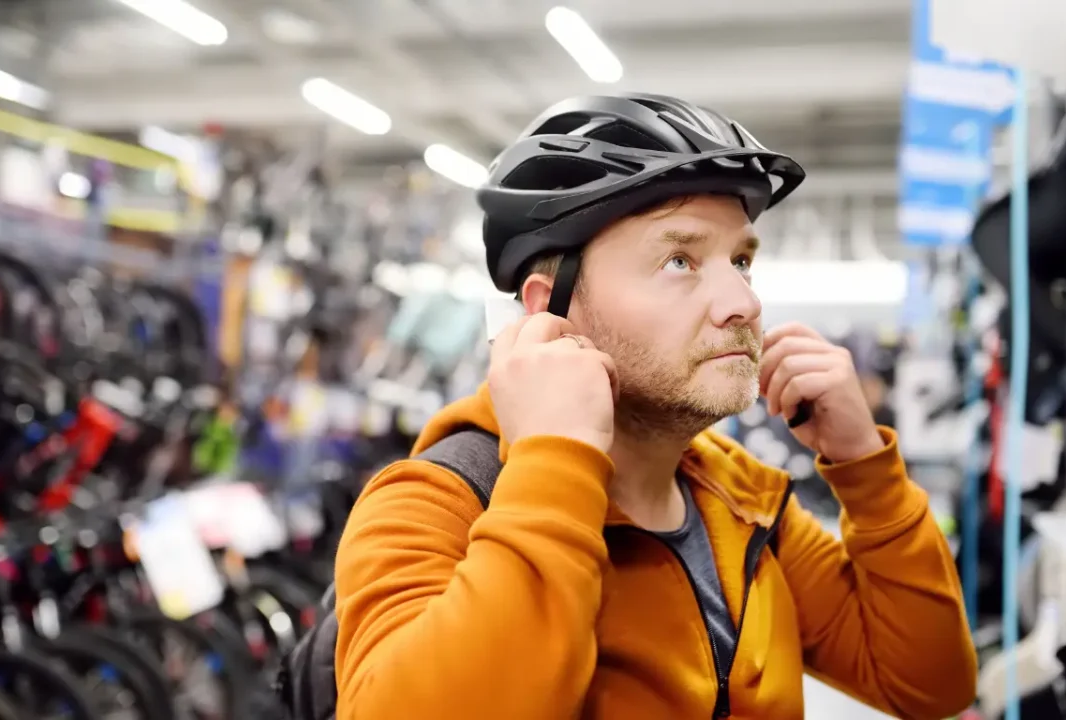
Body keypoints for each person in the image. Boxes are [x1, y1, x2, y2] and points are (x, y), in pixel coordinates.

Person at [332, 93, 977, 719]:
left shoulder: (741, 499)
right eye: (679, 259)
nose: (744, 303)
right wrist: (556, 463)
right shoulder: (429, 507)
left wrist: (864, 468)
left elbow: (927, 684)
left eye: (742, 261)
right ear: (548, 307)